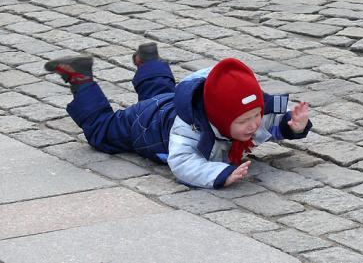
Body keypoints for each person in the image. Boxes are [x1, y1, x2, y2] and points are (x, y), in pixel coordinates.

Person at [44, 43, 312, 189]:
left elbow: (270, 123)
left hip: (169, 105)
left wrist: (293, 125)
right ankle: (81, 78)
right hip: (145, 124)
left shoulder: (247, 116)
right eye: (243, 121)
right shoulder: (189, 131)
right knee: (102, 132)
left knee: (159, 94)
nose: (254, 125)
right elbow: (183, 164)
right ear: (217, 117)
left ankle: (149, 61)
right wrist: (219, 174)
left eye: (256, 115)